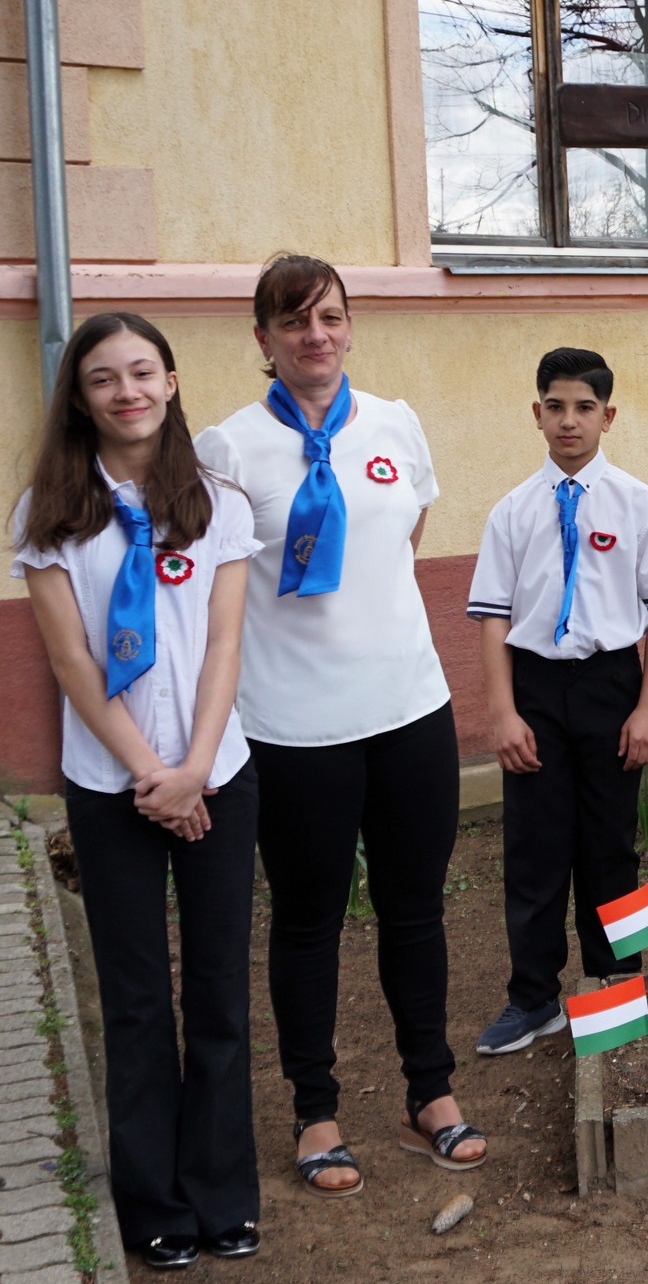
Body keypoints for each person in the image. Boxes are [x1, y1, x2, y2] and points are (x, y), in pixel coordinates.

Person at [196, 254, 485, 1196]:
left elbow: (400, 540)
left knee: (415, 909)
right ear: (263, 339)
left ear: (350, 324)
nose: (314, 336)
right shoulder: (227, 449)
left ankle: (429, 1092)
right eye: (293, 322)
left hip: (408, 711)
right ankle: (315, 1112)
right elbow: (212, 593)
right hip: (292, 728)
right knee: (308, 922)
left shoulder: (395, 423)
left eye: (328, 316)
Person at [13, 313, 263, 1269]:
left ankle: (222, 1194)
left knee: (219, 994)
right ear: (80, 399)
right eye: (104, 378)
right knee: (135, 999)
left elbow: (225, 644)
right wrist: (149, 774)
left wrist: (194, 767)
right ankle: (152, 1203)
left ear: (170, 382)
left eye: (143, 372)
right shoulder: (48, 513)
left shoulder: (217, 503)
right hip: (109, 787)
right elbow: (73, 663)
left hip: (217, 776)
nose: (128, 392)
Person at [468, 348, 648, 1054]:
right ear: (537, 414)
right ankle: (534, 998)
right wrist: (503, 713)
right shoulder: (511, 512)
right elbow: (494, 618)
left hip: (609, 687)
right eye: (557, 407)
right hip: (534, 688)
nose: (570, 421)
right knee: (534, 850)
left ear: (608, 416)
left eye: (584, 408)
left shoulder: (637, 504)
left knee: (609, 847)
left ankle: (616, 989)